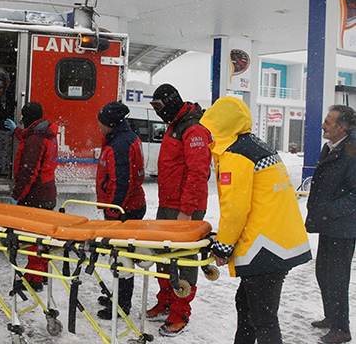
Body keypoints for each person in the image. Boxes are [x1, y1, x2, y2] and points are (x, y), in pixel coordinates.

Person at [199, 96, 311, 344]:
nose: (208, 133)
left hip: (265, 245)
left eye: (211, 127)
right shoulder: (255, 146)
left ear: (221, 124)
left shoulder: (236, 154)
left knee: (262, 317)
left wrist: (224, 245)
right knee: (247, 306)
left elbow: (236, 208)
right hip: (280, 238)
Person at [146, 84, 212, 336]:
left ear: (171, 102)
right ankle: (165, 300)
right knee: (162, 255)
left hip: (185, 209)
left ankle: (180, 311)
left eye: (159, 106)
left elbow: (198, 173)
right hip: (168, 204)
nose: (158, 111)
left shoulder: (192, 129)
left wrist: (187, 210)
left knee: (183, 260)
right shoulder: (176, 124)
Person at [305, 105, 356, 344]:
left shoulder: (352, 151)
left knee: (337, 277)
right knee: (323, 273)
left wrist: (329, 211)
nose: (323, 125)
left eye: (328, 122)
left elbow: (354, 195)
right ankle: (331, 316)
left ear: (342, 127)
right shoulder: (331, 146)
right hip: (328, 224)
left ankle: (341, 328)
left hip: (342, 227)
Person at [94, 101, 146, 320]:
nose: (98, 126)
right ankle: (119, 296)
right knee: (120, 256)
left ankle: (122, 304)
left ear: (111, 124)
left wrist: (113, 213)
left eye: (101, 123)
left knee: (123, 258)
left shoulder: (119, 145)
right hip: (130, 206)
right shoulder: (123, 138)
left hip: (125, 209)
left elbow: (121, 182)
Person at [4, 102, 58, 291]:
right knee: (42, 237)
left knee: (33, 239)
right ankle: (41, 273)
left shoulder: (36, 139)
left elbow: (29, 172)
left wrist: (16, 196)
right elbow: (30, 137)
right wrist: (17, 131)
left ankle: (34, 278)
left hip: (36, 197)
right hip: (48, 193)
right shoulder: (44, 132)